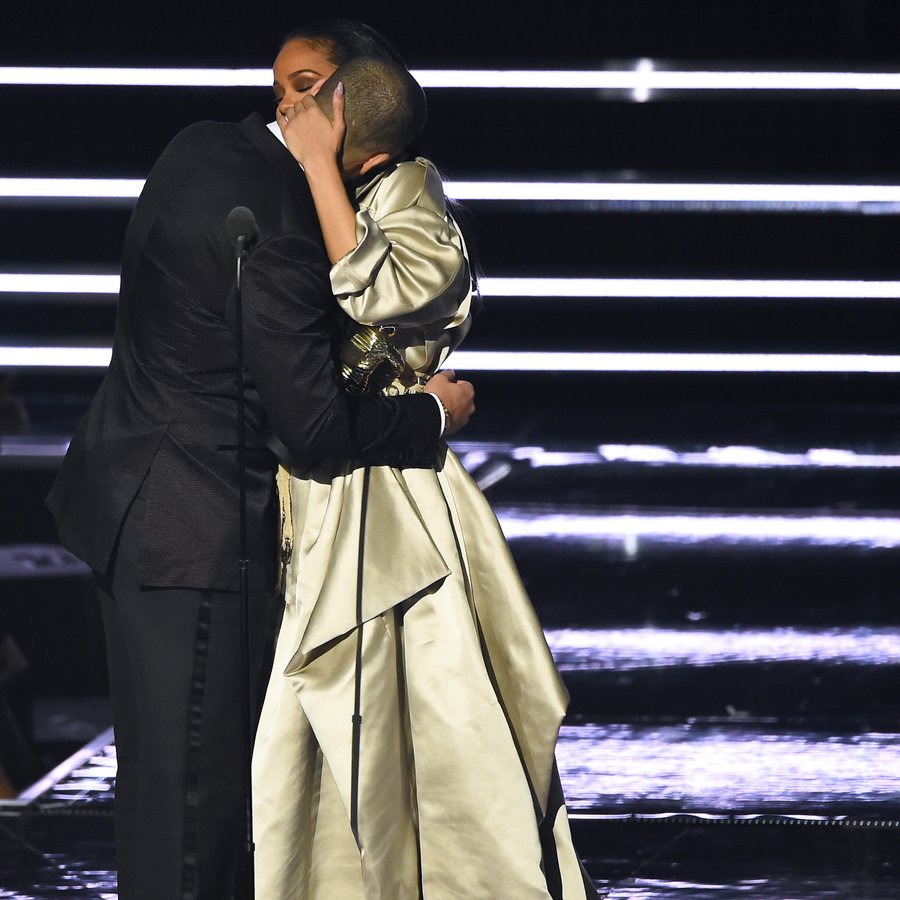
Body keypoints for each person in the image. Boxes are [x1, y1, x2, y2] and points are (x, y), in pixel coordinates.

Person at [44, 26, 474, 900]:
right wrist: (429, 414)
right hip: (195, 540)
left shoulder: (199, 147)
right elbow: (313, 427)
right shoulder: (276, 231)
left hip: (131, 499)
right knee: (193, 813)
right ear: (369, 161)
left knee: (162, 794)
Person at [251, 38, 598, 899]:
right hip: (323, 475)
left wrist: (321, 173)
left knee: (427, 705)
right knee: (316, 708)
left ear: (349, 111)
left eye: (304, 93)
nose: (285, 112)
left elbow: (381, 293)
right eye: (278, 92)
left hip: (396, 491)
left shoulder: (411, 191)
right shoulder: (294, 186)